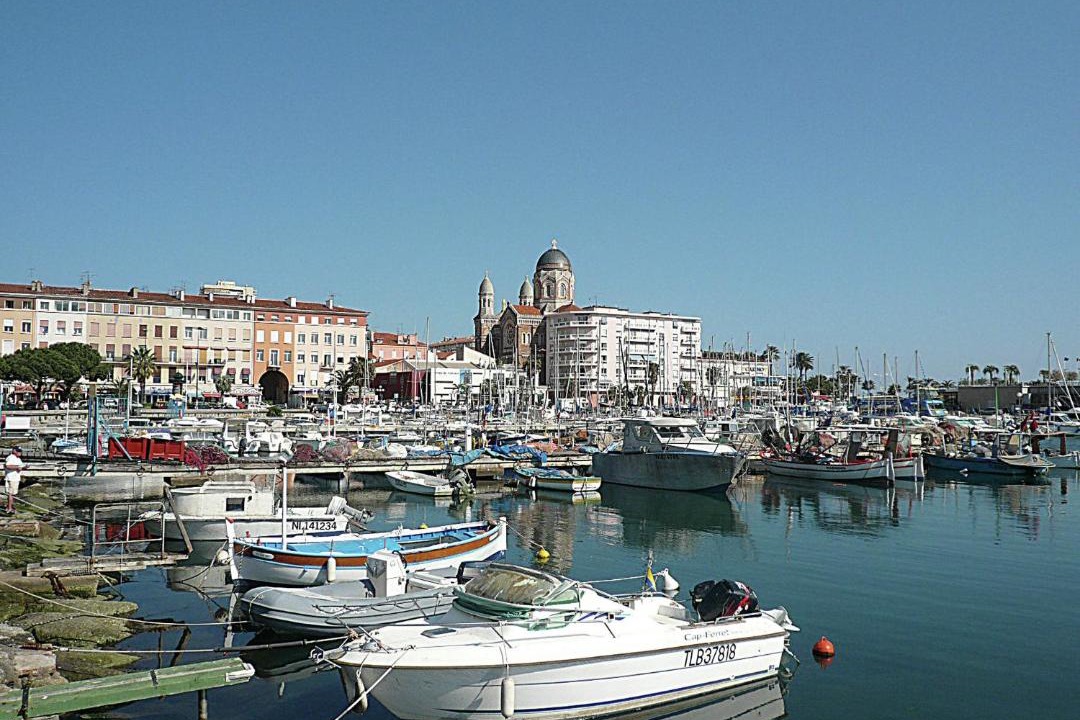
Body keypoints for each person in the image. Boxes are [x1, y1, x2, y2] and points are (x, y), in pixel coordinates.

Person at [4, 446, 25, 514]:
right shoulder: (11, 457)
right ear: (14, 451)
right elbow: (7, 466)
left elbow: (20, 467)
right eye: (18, 451)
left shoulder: (18, 458)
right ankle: (10, 508)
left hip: (15, 478)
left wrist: (25, 467)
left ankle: (9, 507)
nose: (20, 452)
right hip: (12, 478)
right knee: (11, 494)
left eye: (20, 451)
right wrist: (17, 467)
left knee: (12, 493)